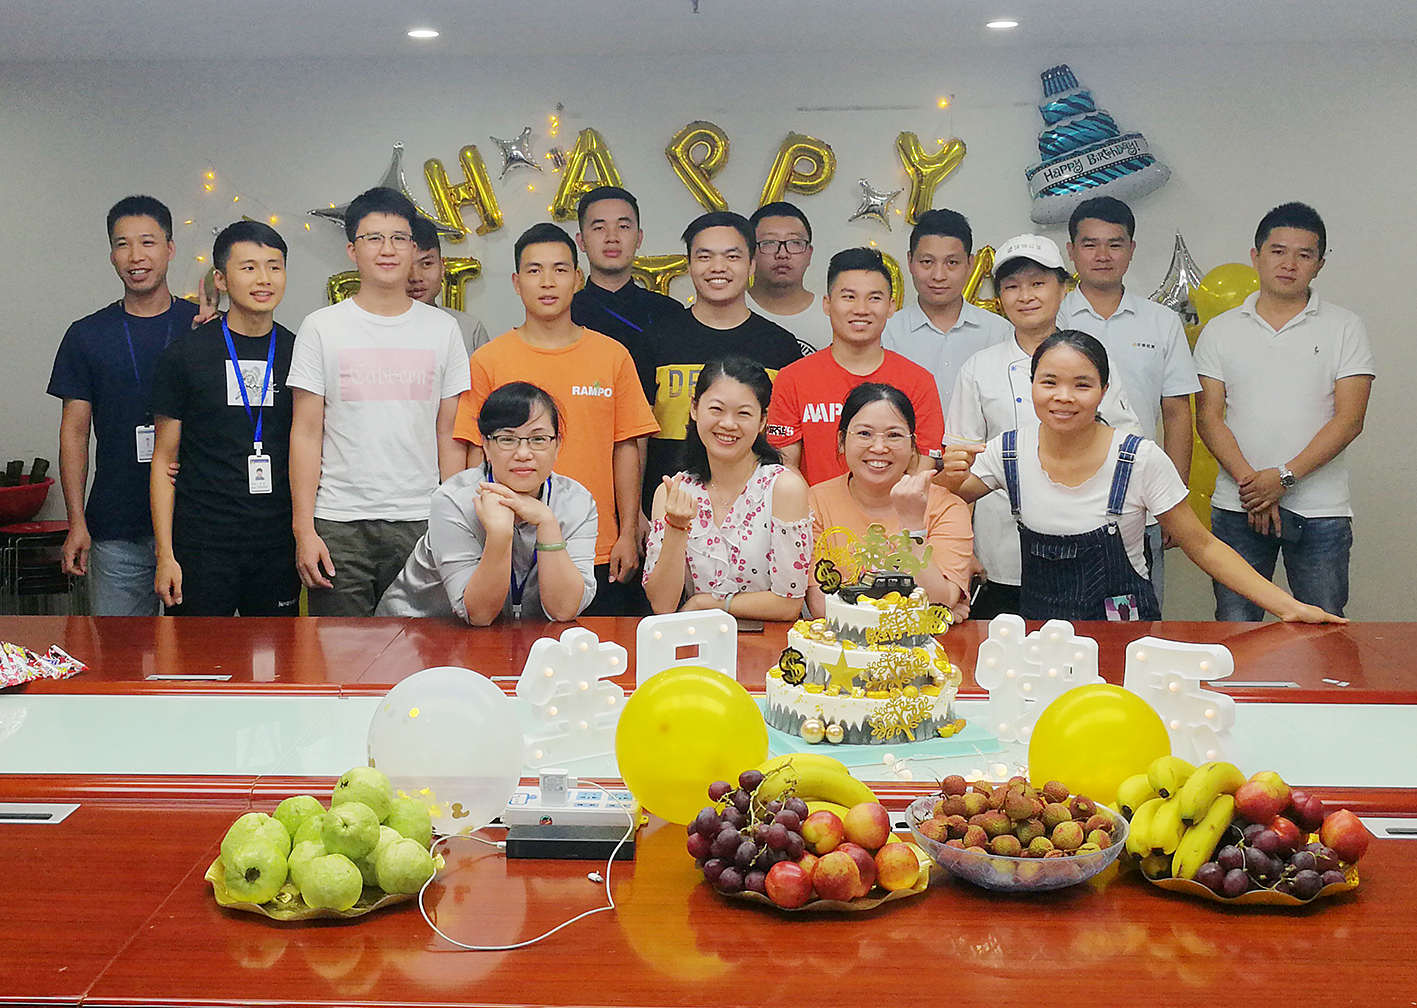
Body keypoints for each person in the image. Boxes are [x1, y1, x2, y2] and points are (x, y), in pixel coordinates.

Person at [935, 332, 1342, 624]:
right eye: (1049, 382)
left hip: (1125, 633)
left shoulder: (1139, 458)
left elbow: (1202, 545)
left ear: (1103, 391)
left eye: (1082, 384)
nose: (1063, 396)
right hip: (1042, 634)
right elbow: (938, 503)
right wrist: (948, 478)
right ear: (1032, 386)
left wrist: (1289, 607)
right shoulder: (1007, 451)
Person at [453, 222, 658, 615]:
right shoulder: (489, 360)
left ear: (578, 279)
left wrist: (628, 531)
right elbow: (475, 453)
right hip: (509, 548)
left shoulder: (612, 356)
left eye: (560, 269)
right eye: (534, 270)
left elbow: (626, 446)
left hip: (595, 544)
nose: (547, 282)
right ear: (516, 283)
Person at [286, 186, 470, 616]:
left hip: (422, 521)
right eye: (373, 238)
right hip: (339, 524)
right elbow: (306, 433)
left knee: (422, 649)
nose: (387, 250)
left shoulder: (443, 330)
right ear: (352, 250)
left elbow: (449, 433)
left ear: (413, 248)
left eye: (399, 238)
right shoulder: (321, 327)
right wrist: (304, 529)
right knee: (341, 650)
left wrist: (455, 523)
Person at [946, 233, 1142, 620]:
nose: (1025, 296)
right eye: (1011, 287)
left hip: (1091, 550)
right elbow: (958, 472)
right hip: (1002, 553)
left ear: (1063, 288)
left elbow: (1125, 451)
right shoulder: (979, 368)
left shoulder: (1093, 360)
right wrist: (959, 549)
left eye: (1038, 283)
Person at [1194, 202, 1374, 620]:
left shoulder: (1345, 327)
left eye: (1304, 254)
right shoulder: (1220, 331)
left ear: (1320, 265)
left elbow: (1350, 420)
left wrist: (1283, 478)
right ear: (1255, 256)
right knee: (1236, 628)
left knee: (1322, 627)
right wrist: (1254, 488)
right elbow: (1208, 417)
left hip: (1320, 510)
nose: (1289, 264)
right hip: (1238, 507)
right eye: (1277, 251)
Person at [47, 195, 199, 615]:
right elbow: (74, 433)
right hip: (117, 528)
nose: (136, 256)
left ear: (170, 248)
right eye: (122, 244)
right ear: (112, 255)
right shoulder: (86, 335)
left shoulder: (202, 327)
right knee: (122, 650)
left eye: (148, 242)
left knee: (198, 651)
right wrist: (77, 522)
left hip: (197, 525)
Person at [149, 221, 298, 615]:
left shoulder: (299, 353)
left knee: (275, 653)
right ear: (221, 279)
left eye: (274, 266)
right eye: (248, 267)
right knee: (197, 654)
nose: (264, 279)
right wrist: (166, 554)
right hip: (202, 544)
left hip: (277, 544)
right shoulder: (185, 355)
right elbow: (163, 460)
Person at [1062, 196, 1201, 607]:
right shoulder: (1053, 318)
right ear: (1071, 251)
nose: (1102, 255)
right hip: (1064, 494)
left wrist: (1173, 501)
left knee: (1139, 614)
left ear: (1132, 249)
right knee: (1065, 615)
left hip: (1142, 498)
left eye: (1115, 244)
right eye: (1090, 244)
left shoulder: (1162, 322)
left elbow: (1176, 413)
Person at [379, 383, 597, 623]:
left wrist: (547, 522)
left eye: (538, 439)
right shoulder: (454, 500)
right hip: (415, 628)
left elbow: (564, 610)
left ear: (557, 445)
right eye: (507, 439)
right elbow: (479, 615)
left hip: (515, 634)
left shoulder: (576, 502)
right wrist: (500, 535)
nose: (523, 453)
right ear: (486, 445)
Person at [638, 211, 802, 513]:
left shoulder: (780, 346)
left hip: (757, 513)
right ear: (689, 265)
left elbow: (786, 443)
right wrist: (636, 513)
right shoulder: (655, 340)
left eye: (732, 256)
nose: (718, 267)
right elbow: (637, 439)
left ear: (751, 264)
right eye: (705, 256)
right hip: (666, 506)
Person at [643, 357, 810, 620]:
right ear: (694, 409)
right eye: (717, 409)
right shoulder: (672, 491)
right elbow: (662, 605)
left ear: (762, 421)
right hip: (696, 638)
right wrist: (676, 526)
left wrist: (708, 604)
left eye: (743, 413)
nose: (728, 424)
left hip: (769, 639)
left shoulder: (783, 488)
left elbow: (789, 604)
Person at [765, 247, 944, 486]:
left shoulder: (918, 381)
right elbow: (785, 467)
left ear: (891, 306)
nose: (861, 309)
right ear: (827, 304)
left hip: (896, 508)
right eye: (849, 297)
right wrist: (816, 506)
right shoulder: (792, 379)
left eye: (874, 298)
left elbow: (923, 466)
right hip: (813, 509)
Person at [806, 383, 971, 620]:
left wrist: (913, 524)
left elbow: (939, 600)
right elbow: (822, 607)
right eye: (865, 434)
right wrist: (917, 614)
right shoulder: (815, 503)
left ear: (913, 446)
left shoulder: (948, 508)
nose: (879, 447)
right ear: (842, 440)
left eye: (894, 435)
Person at [881, 208, 1013, 416]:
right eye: (927, 262)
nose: (939, 275)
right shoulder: (887, 333)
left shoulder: (999, 333)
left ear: (970, 264)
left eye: (952, 263)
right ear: (910, 262)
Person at [570, 185, 685, 363]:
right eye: (599, 228)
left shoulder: (670, 313)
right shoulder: (566, 314)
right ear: (581, 241)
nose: (612, 238)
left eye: (623, 226)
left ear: (639, 238)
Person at [747, 201, 830, 352]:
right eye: (769, 242)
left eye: (795, 243)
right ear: (750, 252)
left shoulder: (832, 315)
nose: (782, 254)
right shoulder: (732, 309)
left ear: (809, 254)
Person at [407, 216, 491, 356]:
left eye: (427, 264)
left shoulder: (468, 330)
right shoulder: (372, 329)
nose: (416, 277)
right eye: (405, 266)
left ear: (442, 267)